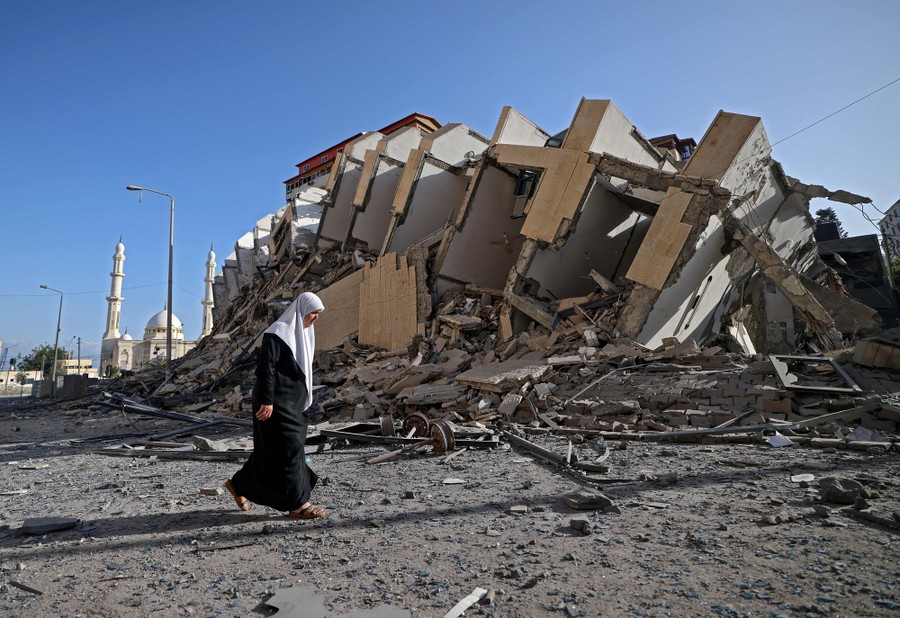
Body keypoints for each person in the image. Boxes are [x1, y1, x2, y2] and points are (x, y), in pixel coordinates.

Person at [225, 292, 326, 519]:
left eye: (319, 314)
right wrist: (267, 401)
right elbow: (266, 370)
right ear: (301, 310)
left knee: (275, 450)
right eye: (314, 313)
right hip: (275, 403)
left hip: (294, 403)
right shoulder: (277, 333)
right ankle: (298, 504)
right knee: (289, 449)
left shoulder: (303, 334)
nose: (316, 318)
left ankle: (238, 484)